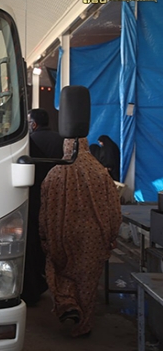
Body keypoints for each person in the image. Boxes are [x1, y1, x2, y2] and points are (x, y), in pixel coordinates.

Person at [39, 138, 122, 337]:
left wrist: (44, 235)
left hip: (61, 233)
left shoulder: (55, 173)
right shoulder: (100, 173)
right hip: (93, 236)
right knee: (87, 281)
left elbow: (44, 210)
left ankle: (68, 304)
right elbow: (114, 208)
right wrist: (113, 234)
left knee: (61, 271)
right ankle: (84, 324)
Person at [22, 108, 64, 306]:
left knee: (31, 243)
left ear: (34, 124)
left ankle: (35, 284)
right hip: (57, 199)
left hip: (30, 197)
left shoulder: (27, 142)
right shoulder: (61, 140)